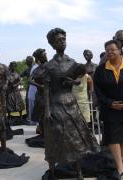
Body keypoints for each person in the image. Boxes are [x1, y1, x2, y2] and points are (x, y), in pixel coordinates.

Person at [43, 28, 100, 179]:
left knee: (76, 138)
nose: (62, 41)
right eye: (58, 40)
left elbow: (77, 81)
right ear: (52, 44)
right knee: (55, 137)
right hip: (55, 103)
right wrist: (47, 110)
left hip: (71, 103)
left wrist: (73, 81)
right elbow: (46, 89)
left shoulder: (72, 63)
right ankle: (52, 171)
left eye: (63, 39)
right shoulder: (49, 66)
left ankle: (79, 172)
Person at [94, 40, 123, 177]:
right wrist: (109, 103)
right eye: (107, 50)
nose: (110, 52)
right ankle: (120, 168)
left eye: (112, 50)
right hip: (109, 110)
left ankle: (118, 163)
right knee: (113, 138)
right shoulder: (101, 69)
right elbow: (98, 90)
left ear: (120, 50)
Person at [30, 48, 48, 134]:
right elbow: (29, 80)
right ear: (40, 57)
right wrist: (39, 86)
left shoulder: (50, 66)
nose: (46, 56)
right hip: (41, 95)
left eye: (46, 54)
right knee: (41, 114)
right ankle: (41, 129)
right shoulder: (36, 70)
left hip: (50, 94)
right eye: (44, 54)